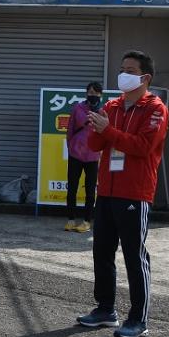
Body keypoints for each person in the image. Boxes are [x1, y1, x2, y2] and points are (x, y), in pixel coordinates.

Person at [76, 50, 169, 337]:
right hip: (106, 191)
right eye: (122, 68)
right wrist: (99, 127)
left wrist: (109, 130)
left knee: (134, 255)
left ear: (145, 77)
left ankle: (138, 318)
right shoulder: (113, 106)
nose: (123, 74)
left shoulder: (155, 109)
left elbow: (142, 146)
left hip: (135, 193)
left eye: (129, 70)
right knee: (101, 251)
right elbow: (94, 143)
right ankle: (105, 309)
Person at [65, 82, 103, 233]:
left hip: (93, 155)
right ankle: (70, 219)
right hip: (76, 153)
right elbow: (70, 129)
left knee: (90, 189)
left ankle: (87, 221)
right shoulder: (77, 108)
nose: (93, 95)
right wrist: (71, 146)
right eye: (90, 92)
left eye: (96, 92)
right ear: (86, 93)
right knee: (72, 187)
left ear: (100, 95)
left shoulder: (103, 110)